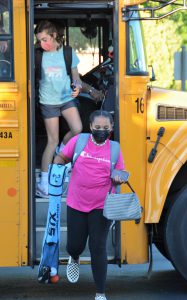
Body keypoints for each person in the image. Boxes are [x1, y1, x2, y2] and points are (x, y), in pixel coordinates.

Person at [54, 110, 125, 300]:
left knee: (98, 247)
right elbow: (61, 157)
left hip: (101, 206)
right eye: (98, 127)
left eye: (106, 128)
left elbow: (120, 172)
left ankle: (100, 293)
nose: (101, 130)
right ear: (91, 127)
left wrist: (119, 179)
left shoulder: (115, 149)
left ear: (111, 128)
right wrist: (58, 167)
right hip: (76, 203)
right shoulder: (79, 141)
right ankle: (74, 257)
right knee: (75, 245)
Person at [34, 20, 83, 197]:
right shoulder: (37, 54)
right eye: (39, 40)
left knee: (77, 129)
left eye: (45, 39)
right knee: (51, 141)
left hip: (66, 99)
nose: (42, 44)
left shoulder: (68, 52)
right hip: (47, 102)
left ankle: (63, 148)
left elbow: (76, 77)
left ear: (54, 36)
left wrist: (77, 86)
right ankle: (43, 183)